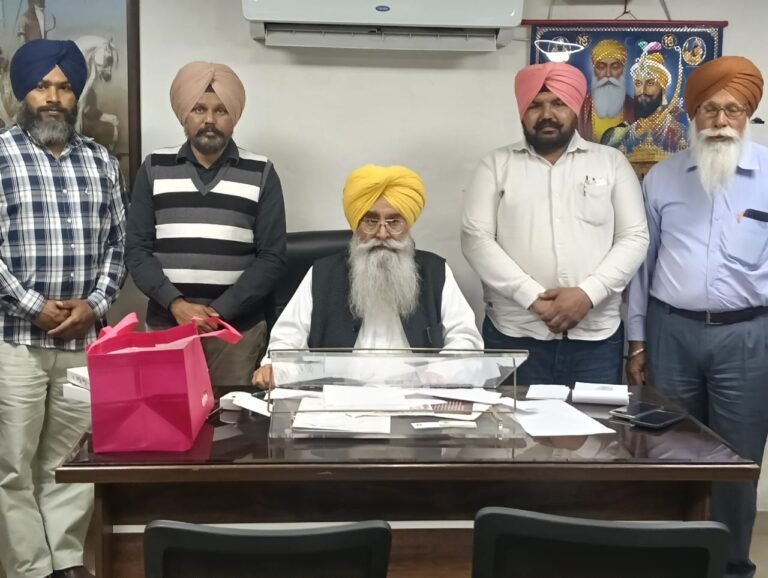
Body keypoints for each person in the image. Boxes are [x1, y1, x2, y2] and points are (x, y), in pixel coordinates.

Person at [627, 55, 767, 578]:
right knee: (669, 451)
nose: (721, 121)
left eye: (733, 110)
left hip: (748, 338)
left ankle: (731, 566)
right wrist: (637, 342)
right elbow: (642, 267)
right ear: (693, 115)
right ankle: (673, 563)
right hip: (672, 333)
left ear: (748, 115)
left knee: (737, 460)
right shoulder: (662, 178)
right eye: (710, 109)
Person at [0, 39, 127, 578]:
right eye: (42, 86)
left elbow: (118, 245)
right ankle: (30, 567)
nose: (53, 97)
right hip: (14, 341)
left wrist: (94, 305)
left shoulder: (100, 161)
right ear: (22, 93)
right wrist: (33, 306)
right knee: (12, 465)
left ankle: (68, 561)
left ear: (77, 95)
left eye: (64, 87)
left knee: (74, 459)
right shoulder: (1, 155)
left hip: (83, 342)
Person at [461, 62, 648, 386]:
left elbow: (634, 237)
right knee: (513, 420)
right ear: (522, 111)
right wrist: (532, 298)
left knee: (593, 420)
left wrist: (587, 294)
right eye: (535, 105)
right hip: (514, 335)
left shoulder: (611, 162)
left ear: (575, 107)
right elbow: (475, 238)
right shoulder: (495, 165)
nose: (547, 114)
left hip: (596, 339)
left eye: (558, 103)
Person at [126, 61, 286, 386]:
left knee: (232, 416)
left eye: (221, 110)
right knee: (169, 414)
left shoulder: (262, 172)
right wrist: (177, 305)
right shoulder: (154, 167)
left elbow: (272, 257)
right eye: (199, 109)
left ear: (234, 117)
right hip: (168, 327)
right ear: (184, 114)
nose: (210, 120)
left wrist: (219, 312)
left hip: (236, 334)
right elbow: (137, 251)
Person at [252, 164, 483, 388]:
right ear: (356, 225)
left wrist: (435, 375)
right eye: (371, 221)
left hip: (416, 399)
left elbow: (466, 341)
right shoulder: (323, 273)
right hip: (338, 401)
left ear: (408, 225)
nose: (382, 233)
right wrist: (277, 369)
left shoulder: (436, 272)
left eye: (394, 222)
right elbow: (288, 339)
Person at [602, 45, 687, 157]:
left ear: (663, 88)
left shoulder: (680, 132)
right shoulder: (624, 134)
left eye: (650, 83)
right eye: (638, 83)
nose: (642, 91)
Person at [578, 39, 634, 142]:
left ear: (623, 70)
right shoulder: (580, 108)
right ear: (594, 70)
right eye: (601, 67)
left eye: (615, 67)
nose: (608, 74)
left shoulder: (634, 108)